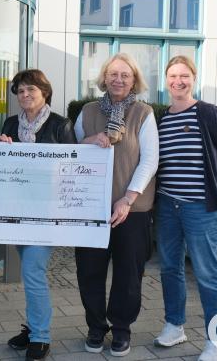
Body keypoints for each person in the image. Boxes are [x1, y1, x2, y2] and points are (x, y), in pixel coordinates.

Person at [152, 55, 217, 361]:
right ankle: (175, 326)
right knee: (170, 268)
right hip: (167, 206)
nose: (179, 81)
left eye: (184, 75)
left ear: (194, 78)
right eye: (173, 76)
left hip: (202, 209)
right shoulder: (162, 118)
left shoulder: (208, 113)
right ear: (166, 81)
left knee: (206, 272)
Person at [74, 53, 159, 357]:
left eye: (125, 75)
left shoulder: (143, 113)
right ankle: (96, 328)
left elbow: (150, 160)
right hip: (90, 209)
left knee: (128, 276)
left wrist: (128, 198)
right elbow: (72, 152)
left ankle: (121, 330)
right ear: (104, 78)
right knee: (89, 273)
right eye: (113, 74)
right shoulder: (87, 111)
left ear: (134, 79)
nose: (118, 80)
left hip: (132, 212)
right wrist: (88, 141)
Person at [0, 69, 77, 361]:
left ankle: (41, 337)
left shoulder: (61, 125)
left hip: (47, 213)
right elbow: (3, 170)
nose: (25, 95)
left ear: (45, 92)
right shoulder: (9, 123)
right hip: (16, 211)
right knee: (30, 271)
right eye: (20, 90)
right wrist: (2, 151)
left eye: (31, 89)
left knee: (32, 271)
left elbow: (71, 170)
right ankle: (32, 328)